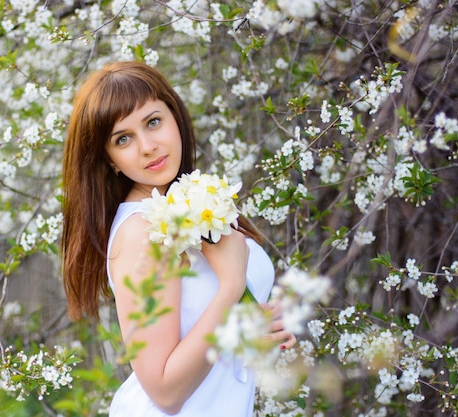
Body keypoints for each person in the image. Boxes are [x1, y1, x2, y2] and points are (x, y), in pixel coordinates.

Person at [61, 61, 296, 416]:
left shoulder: (187, 203)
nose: (147, 146)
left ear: (175, 115)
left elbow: (195, 335)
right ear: (108, 159)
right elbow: (164, 390)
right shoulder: (143, 230)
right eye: (123, 139)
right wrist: (232, 286)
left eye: (153, 122)